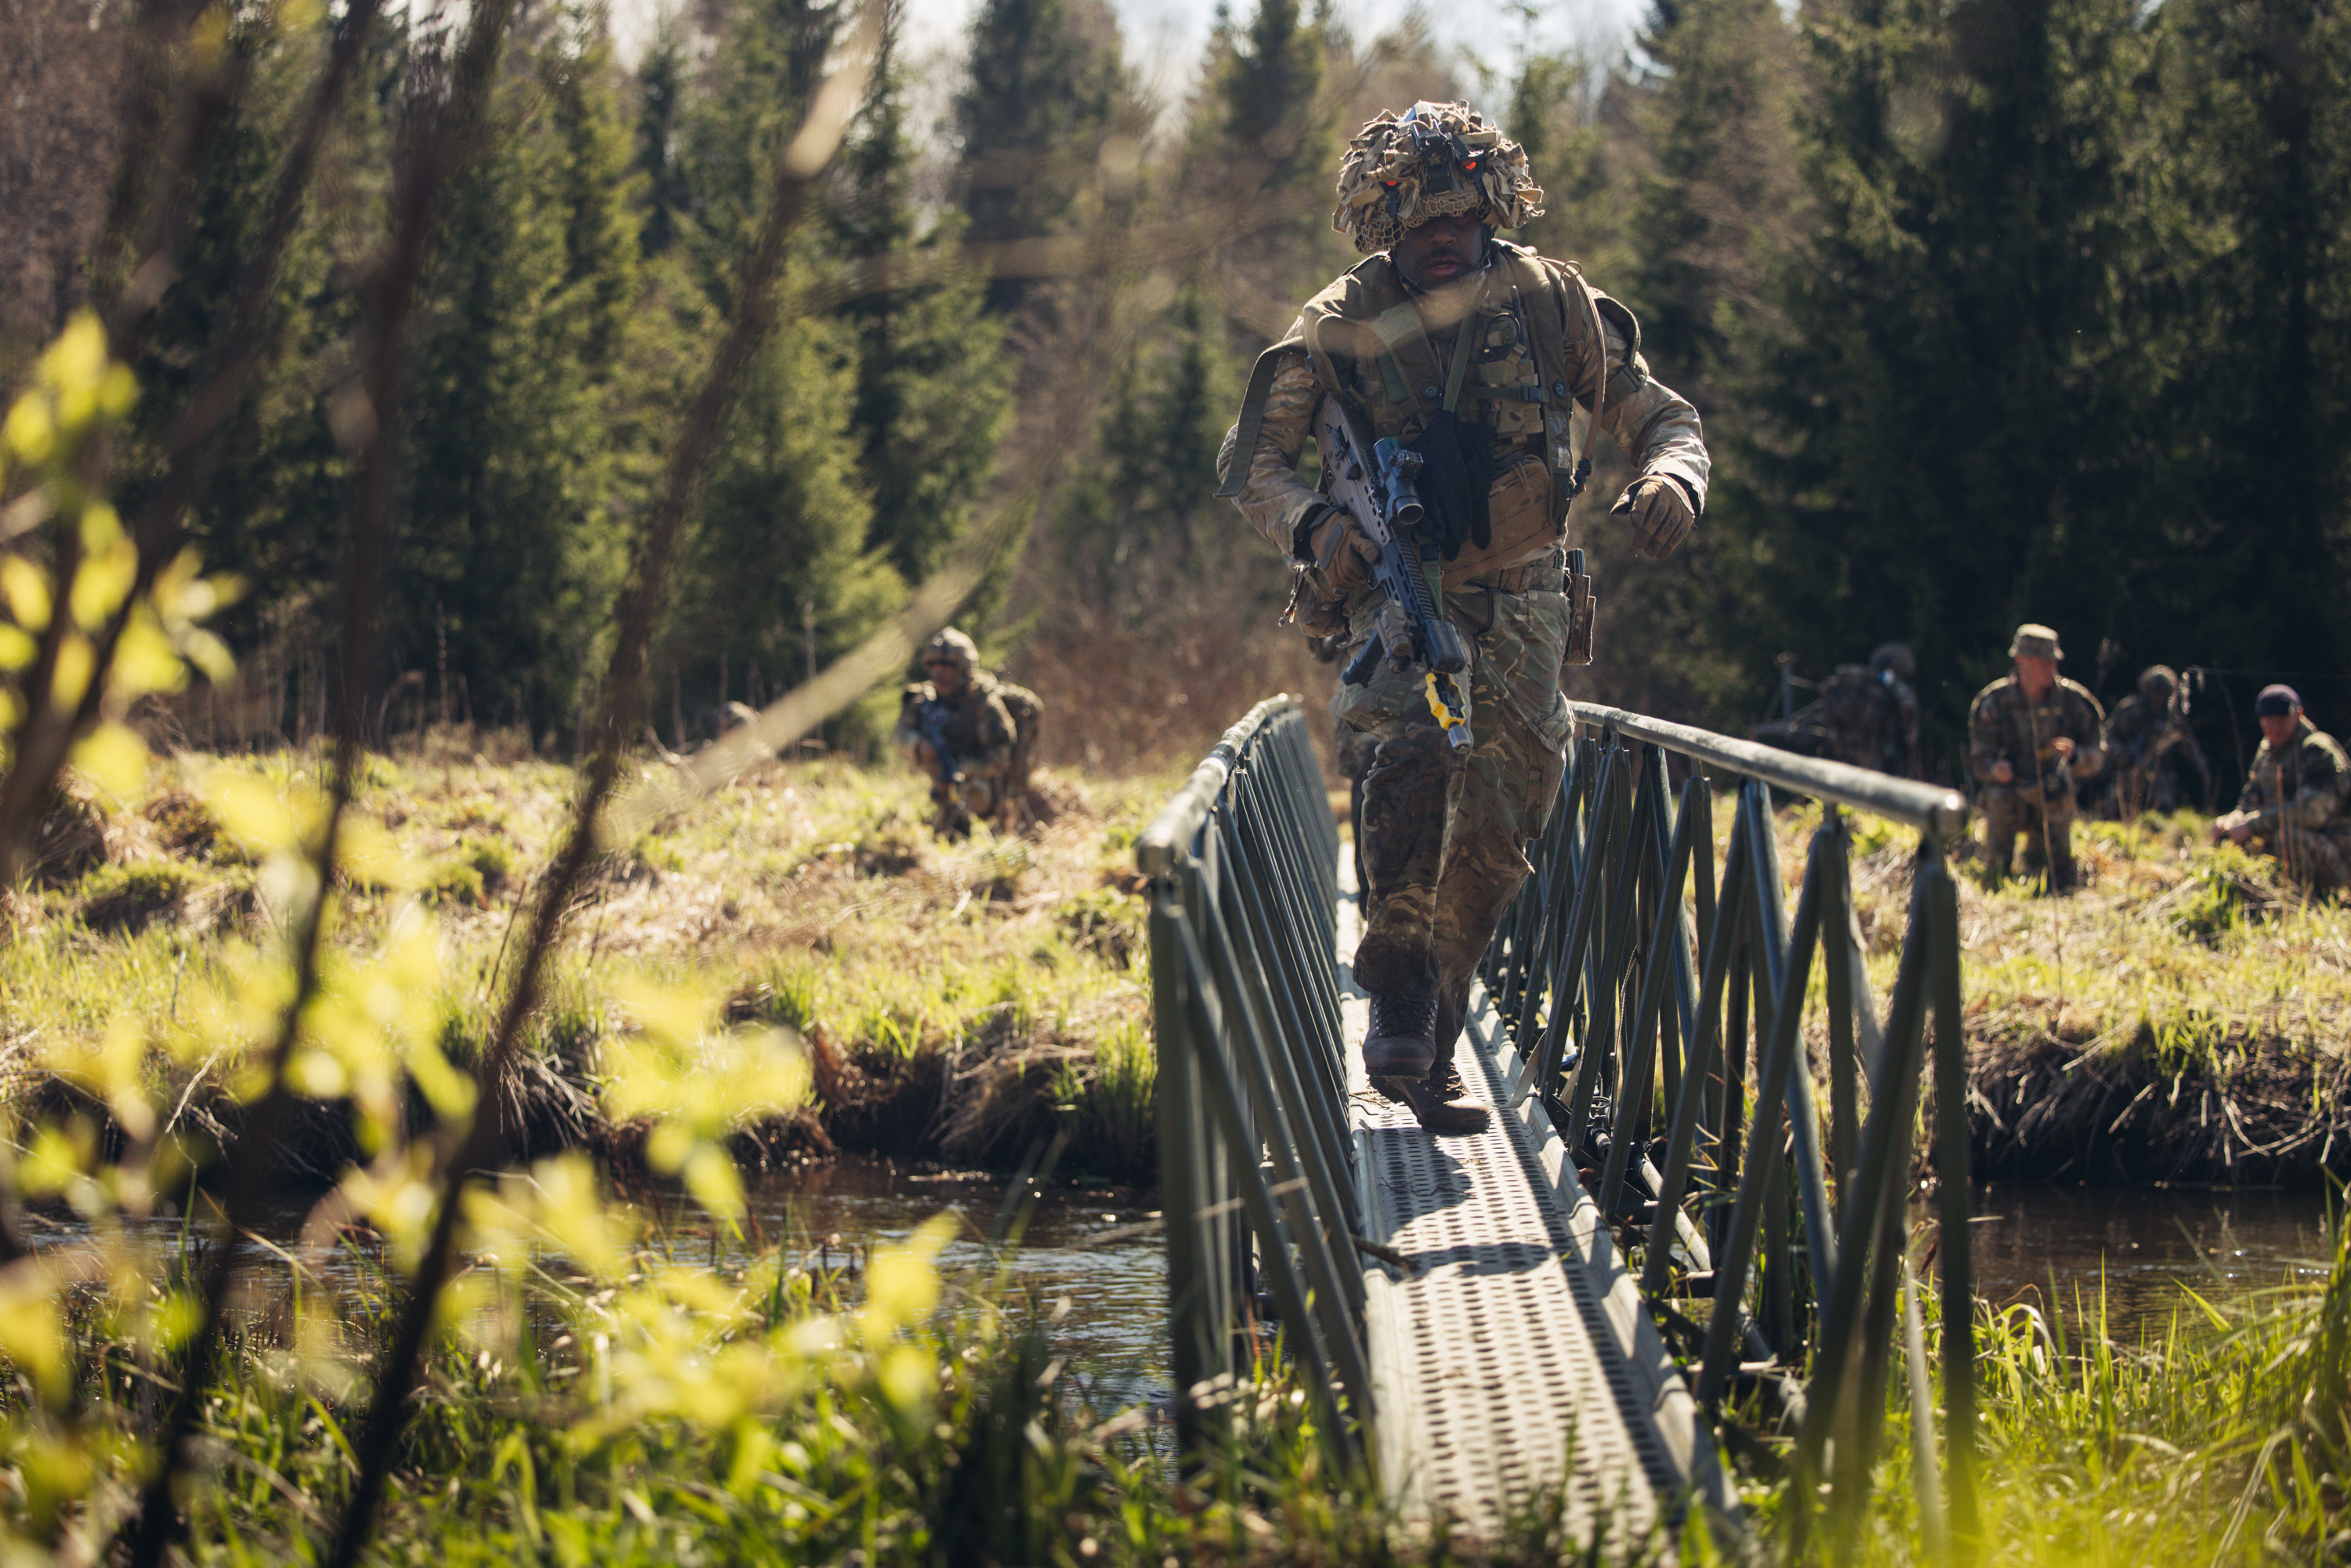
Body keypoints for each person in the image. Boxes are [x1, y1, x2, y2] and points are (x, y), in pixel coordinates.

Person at [1218, 101, 1709, 1134]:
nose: (1441, 238)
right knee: (1404, 768)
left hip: (1529, 595)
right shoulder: (1336, 322)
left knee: (1503, 827)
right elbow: (1251, 462)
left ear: (1492, 207)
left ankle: (1436, 1024)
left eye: (1458, 217)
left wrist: (1673, 474)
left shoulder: (1548, 300)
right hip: (1396, 591)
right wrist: (1313, 526)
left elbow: (1655, 415)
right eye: (1418, 223)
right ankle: (1397, 1002)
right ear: (1384, 225)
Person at [1969, 624, 2106, 889]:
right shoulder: (1993, 702)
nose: (2050, 668)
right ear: (2021, 660)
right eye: (2043, 661)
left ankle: (2056, 877)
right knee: (1997, 795)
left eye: (2053, 661)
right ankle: (1997, 875)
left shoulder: (2074, 701)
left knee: (2055, 872)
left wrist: (2075, 755)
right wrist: (1995, 769)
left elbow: (2098, 755)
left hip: (2053, 798)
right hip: (2011, 797)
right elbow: (1979, 760)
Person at [2210, 685, 2351, 893]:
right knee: (2230, 838)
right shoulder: (2266, 752)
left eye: (2281, 720)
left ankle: (2308, 903)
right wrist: (2230, 822)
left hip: (2337, 858)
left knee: (2288, 836)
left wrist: (2251, 825)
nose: (2275, 728)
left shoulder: (2317, 750)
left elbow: (2312, 813)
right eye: (2269, 721)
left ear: (2299, 715)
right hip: (2285, 855)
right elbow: (2248, 803)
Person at [892, 628, 1023, 838]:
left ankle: (979, 831)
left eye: (946, 666)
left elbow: (1001, 756)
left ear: (964, 668)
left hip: (981, 784)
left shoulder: (984, 704)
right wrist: (918, 744)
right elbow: (900, 734)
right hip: (940, 780)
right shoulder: (924, 700)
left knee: (966, 801)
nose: (938, 673)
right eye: (933, 665)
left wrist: (964, 768)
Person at [2098, 664, 2210, 817]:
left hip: (2158, 774)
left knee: (2165, 806)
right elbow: (2108, 738)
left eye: (2163, 692)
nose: (2158, 697)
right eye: (2155, 691)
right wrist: (2124, 755)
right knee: (2113, 807)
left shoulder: (2172, 718)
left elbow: (2189, 747)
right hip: (2128, 769)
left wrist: (2202, 769)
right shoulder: (2131, 710)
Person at [1817, 643, 1922, 779]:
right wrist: (1910, 739)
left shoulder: (1855, 680)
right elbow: (1908, 711)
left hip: (1839, 745)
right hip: (1871, 752)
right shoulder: (1894, 686)